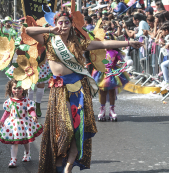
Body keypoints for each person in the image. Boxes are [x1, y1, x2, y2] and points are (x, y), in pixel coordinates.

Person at [25, 10, 142, 173]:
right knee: (63, 129)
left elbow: (103, 44)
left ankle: (68, 166)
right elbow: (29, 31)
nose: (63, 25)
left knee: (77, 129)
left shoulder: (78, 43)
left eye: (66, 22)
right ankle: (59, 163)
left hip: (78, 88)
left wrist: (128, 44)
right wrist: (49, 30)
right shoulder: (49, 40)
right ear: (56, 24)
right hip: (59, 90)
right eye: (60, 22)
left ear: (71, 24)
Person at [0, 79, 43, 168]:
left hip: (24, 123)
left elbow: (31, 109)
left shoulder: (26, 101)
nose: (17, 90)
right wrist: (2, 120)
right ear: (10, 89)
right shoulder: (9, 101)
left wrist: (33, 116)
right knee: (14, 142)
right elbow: (7, 112)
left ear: (23, 89)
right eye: (14, 88)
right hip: (13, 124)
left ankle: (27, 154)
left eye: (19, 88)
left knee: (26, 140)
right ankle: (13, 160)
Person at [92, 31, 130, 121]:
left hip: (112, 72)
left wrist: (122, 64)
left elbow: (120, 61)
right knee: (102, 92)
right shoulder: (99, 51)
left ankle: (112, 110)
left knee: (112, 92)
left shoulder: (115, 52)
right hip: (101, 72)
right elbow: (97, 60)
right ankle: (102, 110)